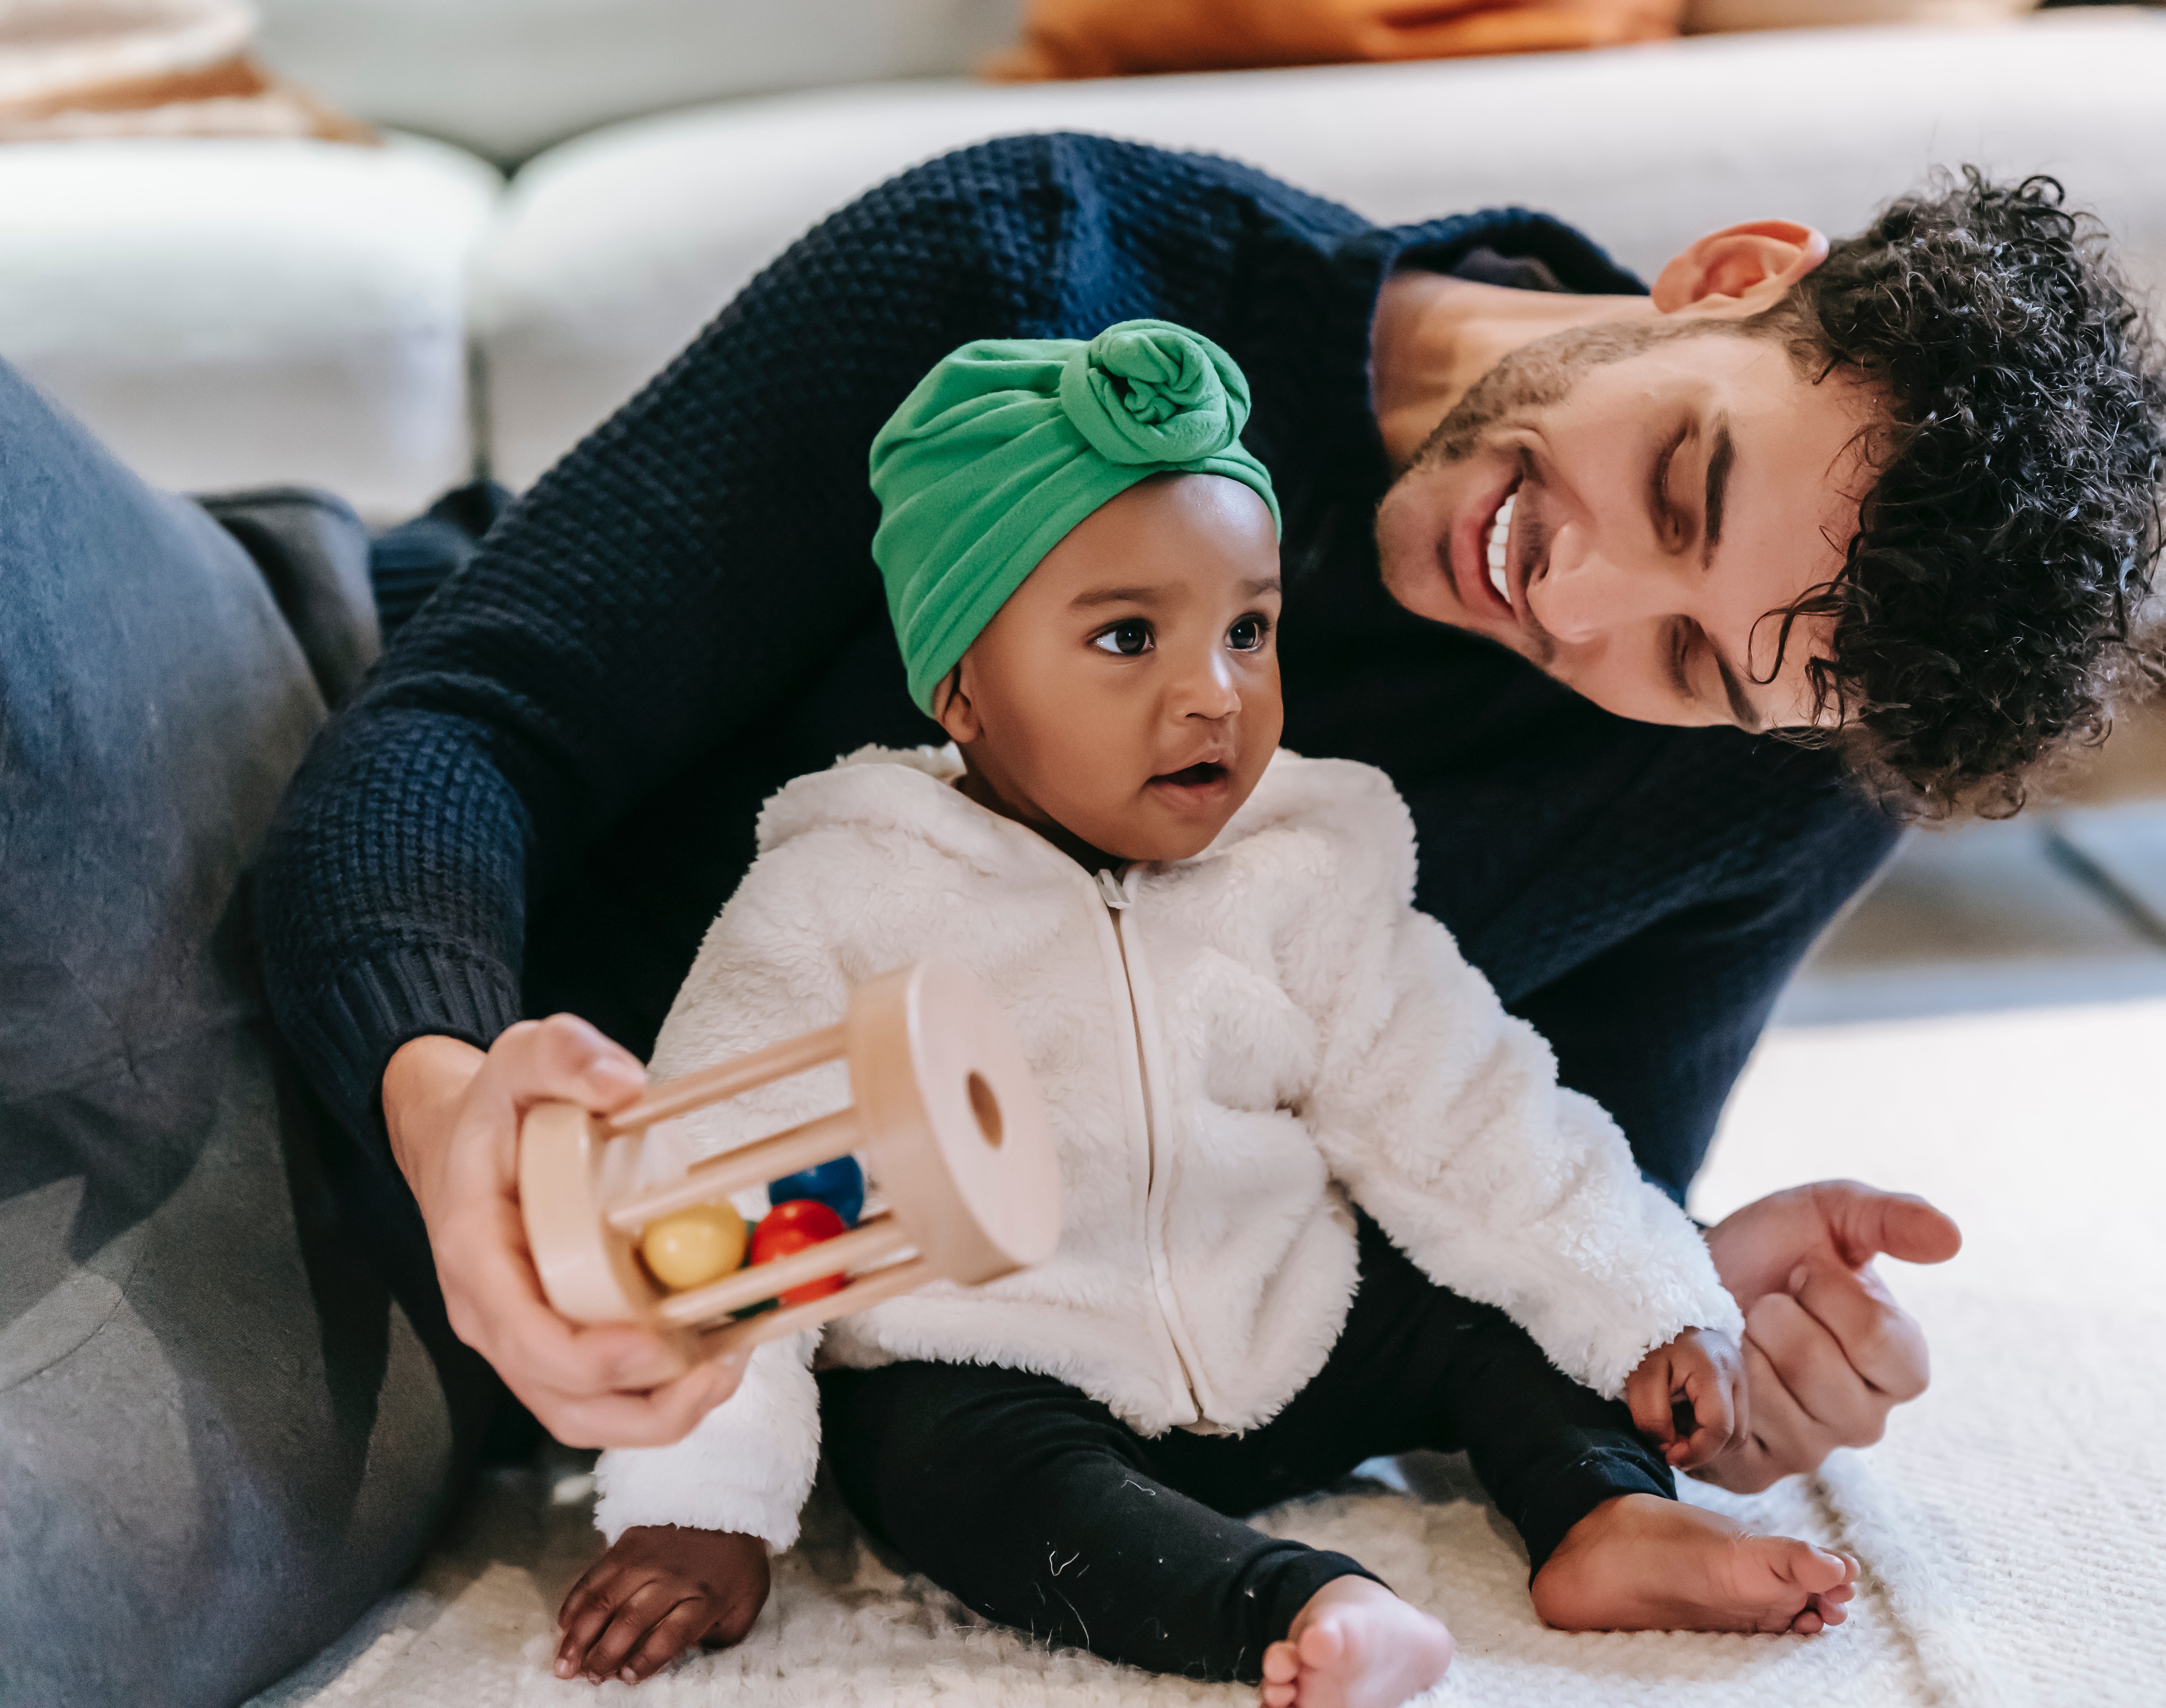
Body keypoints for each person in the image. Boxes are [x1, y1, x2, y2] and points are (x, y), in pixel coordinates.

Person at [0, 132, 2166, 1703]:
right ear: (1729, 277)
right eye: (1678, 481)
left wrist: (1685, 1327)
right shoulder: (1046, 268)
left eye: (1695, 660)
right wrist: (447, 1095)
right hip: (291, 727)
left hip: (512, 1290)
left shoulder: (1757, 795)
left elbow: (1447, 1204)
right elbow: (478, 722)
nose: (1581, 592)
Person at [553, 321, 1859, 1700]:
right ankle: (1286, 1608)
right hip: (1007, 1364)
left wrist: (1651, 1301)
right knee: (943, 1469)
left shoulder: (1307, 864)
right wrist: (696, 1504)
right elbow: (729, 1187)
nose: (1215, 694)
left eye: (1249, 630)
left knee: (1491, 1296)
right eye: (1129, 638)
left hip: (1285, 1321)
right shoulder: (842, 893)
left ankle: (1605, 1514)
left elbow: (1464, 1102)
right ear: (963, 686)